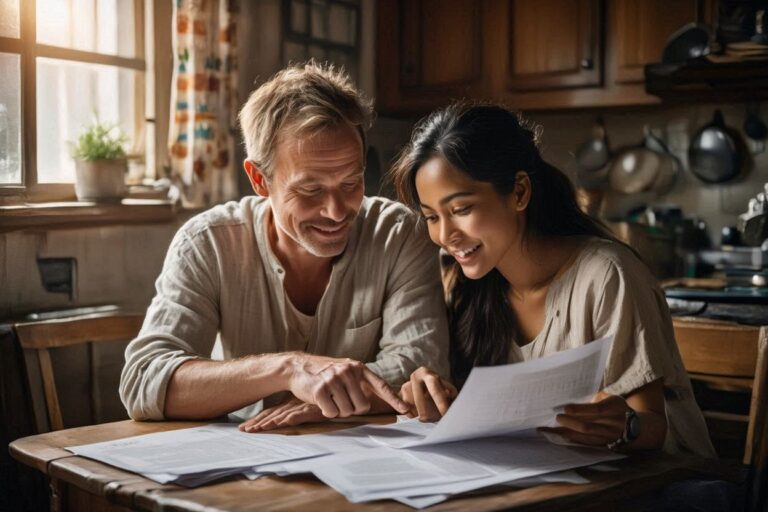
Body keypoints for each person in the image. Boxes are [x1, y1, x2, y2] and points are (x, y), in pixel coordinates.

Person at [119, 62, 449, 429]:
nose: (337, 211)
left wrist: (319, 399)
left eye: (351, 183)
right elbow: (144, 381)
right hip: (244, 460)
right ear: (260, 180)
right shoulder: (206, 243)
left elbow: (421, 371)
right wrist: (289, 369)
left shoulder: (399, 234)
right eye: (310, 190)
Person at [389, 102, 716, 457]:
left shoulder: (607, 275)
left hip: (657, 483)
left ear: (519, 192)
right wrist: (430, 393)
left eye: (461, 210)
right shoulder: (462, 283)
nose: (445, 235)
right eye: (432, 217)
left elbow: (652, 427)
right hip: (545, 480)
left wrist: (625, 425)